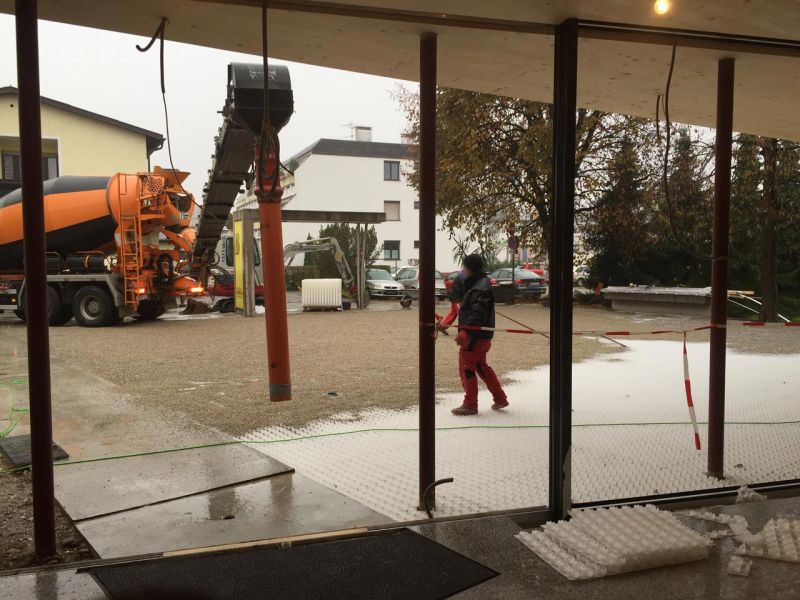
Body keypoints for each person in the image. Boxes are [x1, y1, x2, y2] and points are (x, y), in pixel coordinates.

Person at [451, 254, 508, 416]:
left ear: (470, 268)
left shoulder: (481, 287)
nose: (463, 271)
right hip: (481, 335)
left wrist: (465, 332)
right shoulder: (479, 283)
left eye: (465, 268)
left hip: (475, 336)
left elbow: (478, 312)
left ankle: (470, 404)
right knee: (481, 366)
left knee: (466, 366)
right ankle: (500, 398)